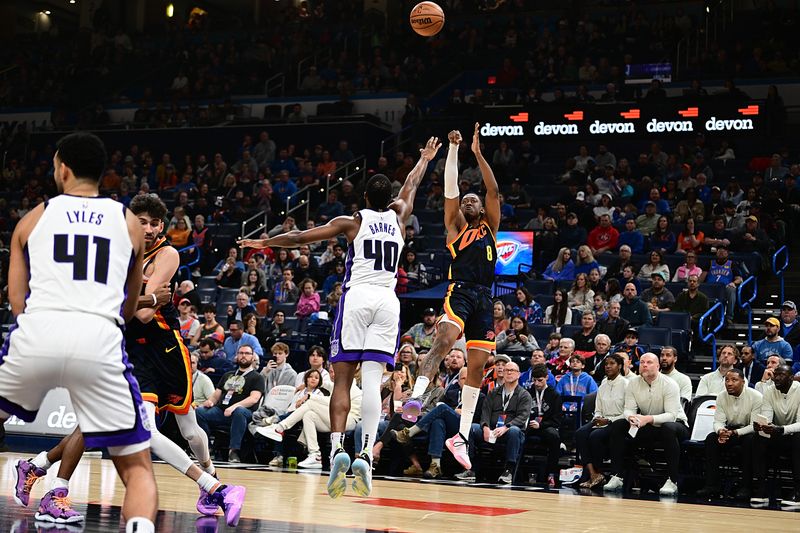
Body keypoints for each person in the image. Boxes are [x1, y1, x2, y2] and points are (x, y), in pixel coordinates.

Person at [240, 135, 442, 498]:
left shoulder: (352, 221)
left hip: (358, 298)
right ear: (389, 199)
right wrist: (425, 159)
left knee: (343, 378)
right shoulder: (399, 217)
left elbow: (302, 236)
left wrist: (264, 242)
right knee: (371, 378)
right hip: (387, 300)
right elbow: (411, 184)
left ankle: (336, 450)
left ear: (365, 199)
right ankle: (365, 450)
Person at [0, 132, 158, 532]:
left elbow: (17, 301)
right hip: (99, 339)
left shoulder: (32, 219)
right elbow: (129, 302)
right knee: (137, 468)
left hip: (38, 333)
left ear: (62, 167)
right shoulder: (128, 223)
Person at [125, 193, 246, 525]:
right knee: (145, 430)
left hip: (165, 348)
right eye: (141, 221)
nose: (147, 228)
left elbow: (147, 314)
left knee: (190, 430)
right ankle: (213, 486)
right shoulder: (124, 251)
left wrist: (115, 298)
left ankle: (209, 473)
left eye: (153, 223)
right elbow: (135, 305)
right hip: (135, 351)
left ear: (162, 225)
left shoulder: (167, 253)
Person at [408, 125, 500, 474]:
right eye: (465, 201)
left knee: (477, 366)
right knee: (444, 342)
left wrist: (477, 153)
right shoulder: (457, 228)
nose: (468, 201)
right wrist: (453, 149)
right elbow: (450, 190)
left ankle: (461, 435)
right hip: (459, 290)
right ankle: (416, 398)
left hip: (485, 298)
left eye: (472, 200)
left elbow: (492, 188)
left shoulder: (491, 224)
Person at [604, 353, 689, 496]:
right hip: (647, 424)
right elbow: (628, 409)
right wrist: (631, 417)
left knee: (668, 428)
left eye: (649, 362)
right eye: (642, 362)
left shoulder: (670, 384)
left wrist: (647, 419)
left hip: (676, 424)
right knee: (619, 425)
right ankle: (617, 475)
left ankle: (672, 480)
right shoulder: (633, 383)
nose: (644, 365)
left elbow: (671, 415)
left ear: (657, 366)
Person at [696, 369, 764, 501]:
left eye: (734, 380)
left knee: (750, 441)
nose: (729, 383)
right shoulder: (721, 396)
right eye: (727, 380)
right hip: (730, 430)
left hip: (748, 431)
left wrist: (735, 433)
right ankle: (712, 485)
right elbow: (718, 421)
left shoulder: (756, 397)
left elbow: (754, 426)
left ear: (743, 382)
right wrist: (720, 431)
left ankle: (746, 487)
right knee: (711, 439)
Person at [459, 362, 532, 484]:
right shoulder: (493, 393)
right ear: (502, 373)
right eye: (506, 370)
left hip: (510, 431)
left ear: (518, 375)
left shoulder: (524, 395)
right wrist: (485, 427)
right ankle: (469, 468)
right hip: (492, 431)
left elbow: (523, 417)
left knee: (514, 431)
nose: (509, 372)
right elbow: (485, 412)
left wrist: (506, 427)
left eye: (512, 370)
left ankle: (509, 470)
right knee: (472, 428)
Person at [196, 346, 266, 463]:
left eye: (247, 353)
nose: (243, 356)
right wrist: (210, 402)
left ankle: (234, 451)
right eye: (241, 353)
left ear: (253, 357)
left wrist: (234, 407)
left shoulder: (257, 377)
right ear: (236, 356)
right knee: (199, 412)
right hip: (221, 411)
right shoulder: (228, 375)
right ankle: (207, 448)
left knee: (239, 411)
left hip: (245, 413)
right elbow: (215, 395)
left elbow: (254, 399)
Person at [576, 354, 628, 489]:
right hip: (601, 420)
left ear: (620, 366)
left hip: (618, 421)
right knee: (580, 433)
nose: (608, 366)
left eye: (612, 363)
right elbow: (598, 408)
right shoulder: (603, 384)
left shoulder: (626, 384)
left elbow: (628, 411)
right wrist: (597, 418)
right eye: (606, 364)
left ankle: (599, 473)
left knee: (595, 436)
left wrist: (608, 420)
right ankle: (593, 474)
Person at [751, 364, 800, 507]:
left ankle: (798, 491)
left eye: (781, 375)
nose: (776, 378)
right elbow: (767, 417)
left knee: (799, 438)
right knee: (758, 436)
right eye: (775, 375)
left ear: (791, 378)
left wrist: (781, 429)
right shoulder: (769, 391)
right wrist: (762, 425)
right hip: (779, 433)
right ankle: (761, 489)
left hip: (793, 434)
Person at [524, 364, 563, 488]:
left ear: (546, 378)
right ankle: (515, 470)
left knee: (554, 437)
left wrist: (540, 425)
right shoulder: (527, 393)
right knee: (517, 433)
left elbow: (556, 420)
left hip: (546, 426)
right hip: (529, 425)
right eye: (534, 380)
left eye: (540, 380)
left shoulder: (554, 395)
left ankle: (551, 473)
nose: (537, 383)